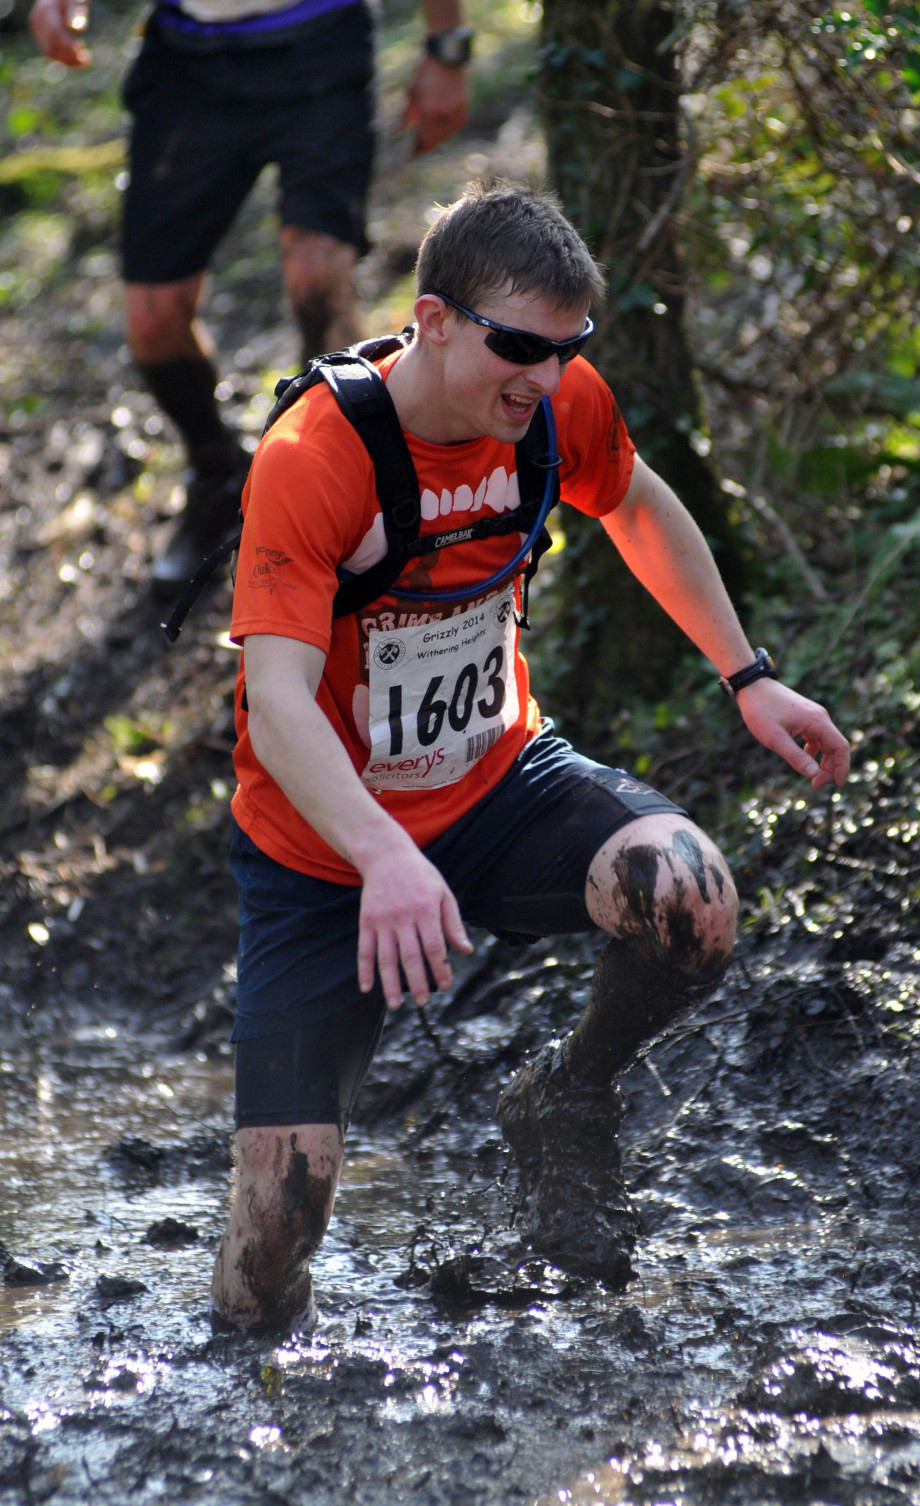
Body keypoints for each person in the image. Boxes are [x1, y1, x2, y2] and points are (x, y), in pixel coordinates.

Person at [211, 178, 851, 1334]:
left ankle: (565, 1098)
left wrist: (748, 677)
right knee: (268, 1255)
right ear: (435, 318)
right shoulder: (316, 455)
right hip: (320, 853)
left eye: (568, 350)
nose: (543, 379)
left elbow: (639, 505)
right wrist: (379, 854)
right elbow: (279, 698)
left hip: (500, 786)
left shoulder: (555, 403)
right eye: (518, 347)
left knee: (690, 892)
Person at [28, 0, 471, 597]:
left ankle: (338, 487)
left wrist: (447, 44)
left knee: (318, 281)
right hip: (187, 64)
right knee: (153, 320)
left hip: (320, 44)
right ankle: (218, 474)